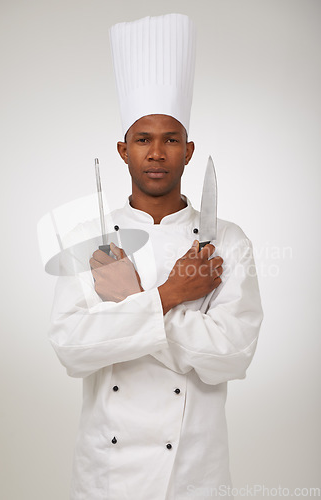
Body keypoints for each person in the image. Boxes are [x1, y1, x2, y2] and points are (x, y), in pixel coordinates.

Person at [49, 13, 263, 500]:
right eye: (143, 140)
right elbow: (72, 349)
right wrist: (171, 295)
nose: (157, 153)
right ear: (123, 151)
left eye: (170, 139)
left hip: (193, 470)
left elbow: (230, 355)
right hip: (106, 473)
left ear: (189, 151)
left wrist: (133, 303)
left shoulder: (227, 241)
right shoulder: (92, 240)